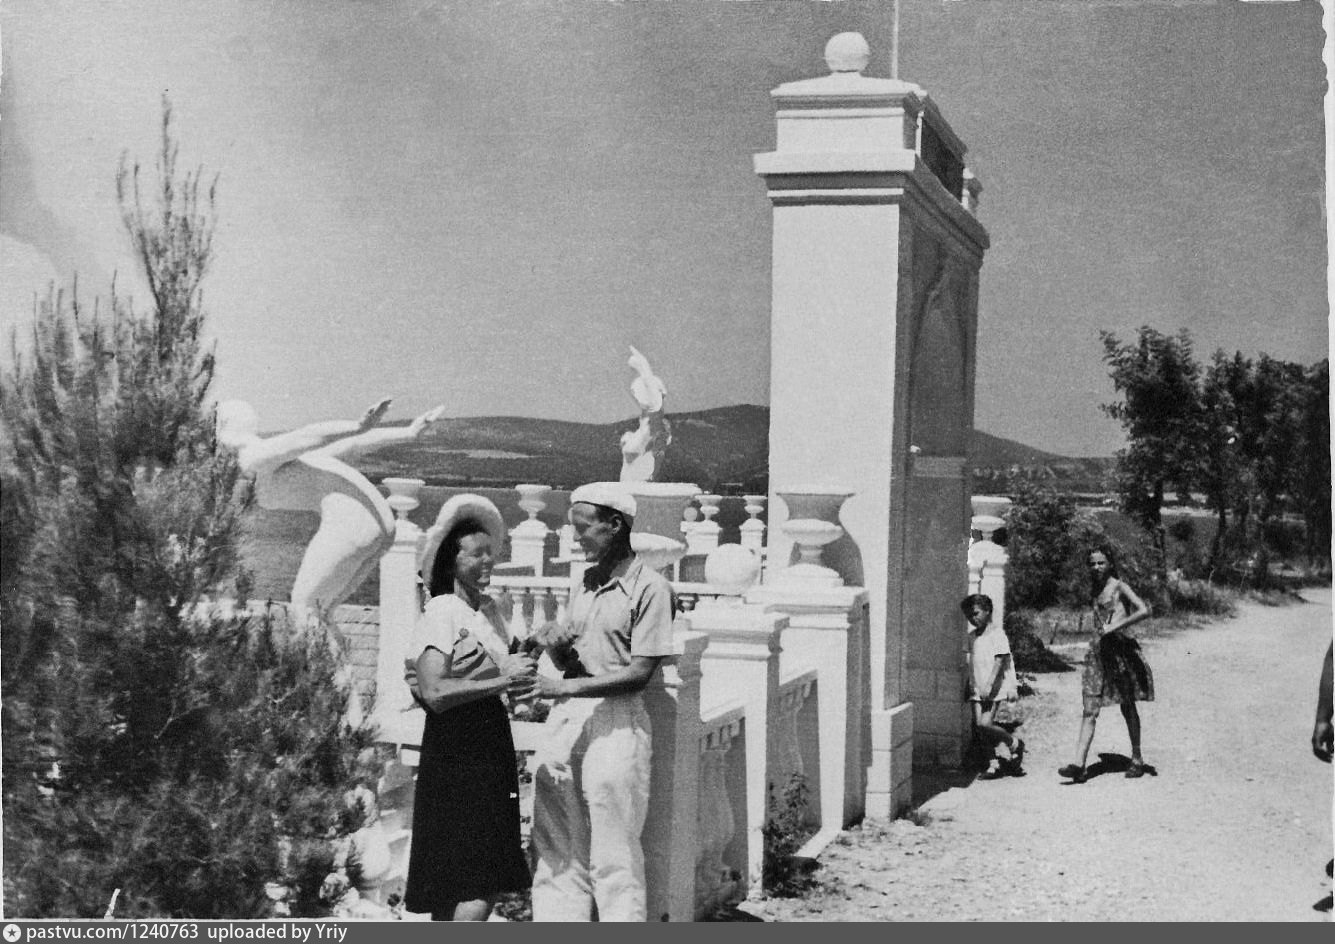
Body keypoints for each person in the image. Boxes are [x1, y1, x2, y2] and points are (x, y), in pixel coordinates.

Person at [528, 482, 676, 922]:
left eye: (583, 528)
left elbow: (639, 673)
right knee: (557, 848)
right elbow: (574, 664)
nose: (576, 538)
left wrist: (561, 689)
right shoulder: (586, 583)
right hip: (569, 718)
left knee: (615, 854)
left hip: (616, 723)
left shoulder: (651, 589)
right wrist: (555, 646)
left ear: (614, 525)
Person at [402, 494, 536, 921]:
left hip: (487, 743)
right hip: (458, 749)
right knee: (478, 878)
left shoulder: (485, 612)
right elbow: (434, 691)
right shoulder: (442, 612)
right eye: (476, 554)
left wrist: (540, 645)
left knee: (461, 878)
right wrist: (503, 680)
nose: (487, 561)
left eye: (490, 553)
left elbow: (509, 667)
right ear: (450, 560)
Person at [216, 396, 445, 630]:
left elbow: (306, 435)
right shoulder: (294, 458)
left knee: (304, 608)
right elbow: (354, 444)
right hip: (379, 526)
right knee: (320, 613)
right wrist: (407, 433)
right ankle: (330, 655)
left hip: (353, 525)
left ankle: (313, 655)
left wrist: (359, 426)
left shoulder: (253, 456)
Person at [1058, 547, 1154, 783]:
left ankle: (1137, 758)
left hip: (1121, 652)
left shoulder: (1120, 587)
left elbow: (1144, 610)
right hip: (1098, 653)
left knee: (1127, 705)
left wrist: (1115, 627)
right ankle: (1079, 764)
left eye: (1101, 563)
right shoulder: (1094, 589)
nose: (1096, 567)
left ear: (1110, 564)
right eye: (1092, 563)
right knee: (1089, 708)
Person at [962, 594, 1024, 778]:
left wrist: (990, 685)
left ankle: (1014, 743)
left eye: (975, 613)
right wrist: (968, 683)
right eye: (969, 616)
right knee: (979, 727)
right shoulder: (971, 637)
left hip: (992, 687)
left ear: (988, 611)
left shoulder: (997, 634)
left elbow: (1000, 661)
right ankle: (993, 764)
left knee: (985, 724)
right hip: (977, 686)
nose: (972, 618)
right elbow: (971, 662)